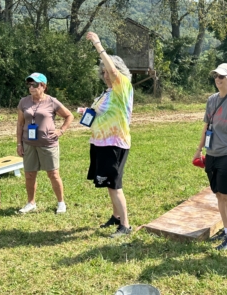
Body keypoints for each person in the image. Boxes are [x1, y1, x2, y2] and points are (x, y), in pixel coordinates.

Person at [81, 31, 134, 238]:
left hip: (115, 143)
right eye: (102, 72)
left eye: (108, 71)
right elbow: (101, 115)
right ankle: (116, 217)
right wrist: (86, 113)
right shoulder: (107, 92)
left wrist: (97, 44)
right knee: (108, 183)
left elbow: (112, 70)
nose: (105, 75)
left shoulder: (123, 86)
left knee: (114, 184)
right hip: (100, 142)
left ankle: (126, 226)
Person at [193, 63, 227, 250]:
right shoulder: (211, 100)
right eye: (216, 76)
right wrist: (199, 150)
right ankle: (226, 232)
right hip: (212, 154)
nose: (218, 79)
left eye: (222, 76)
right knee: (219, 195)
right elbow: (206, 127)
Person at [16, 72, 74, 214]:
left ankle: (61, 203)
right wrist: (19, 144)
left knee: (53, 174)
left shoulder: (52, 101)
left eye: (34, 84)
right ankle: (31, 203)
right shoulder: (24, 102)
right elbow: (20, 123)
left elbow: (69, 116)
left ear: (43, 86)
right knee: (29, 175)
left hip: (48, 143)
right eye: (29, 84)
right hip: (29, 143)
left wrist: (61, 130)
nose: (31, 87)